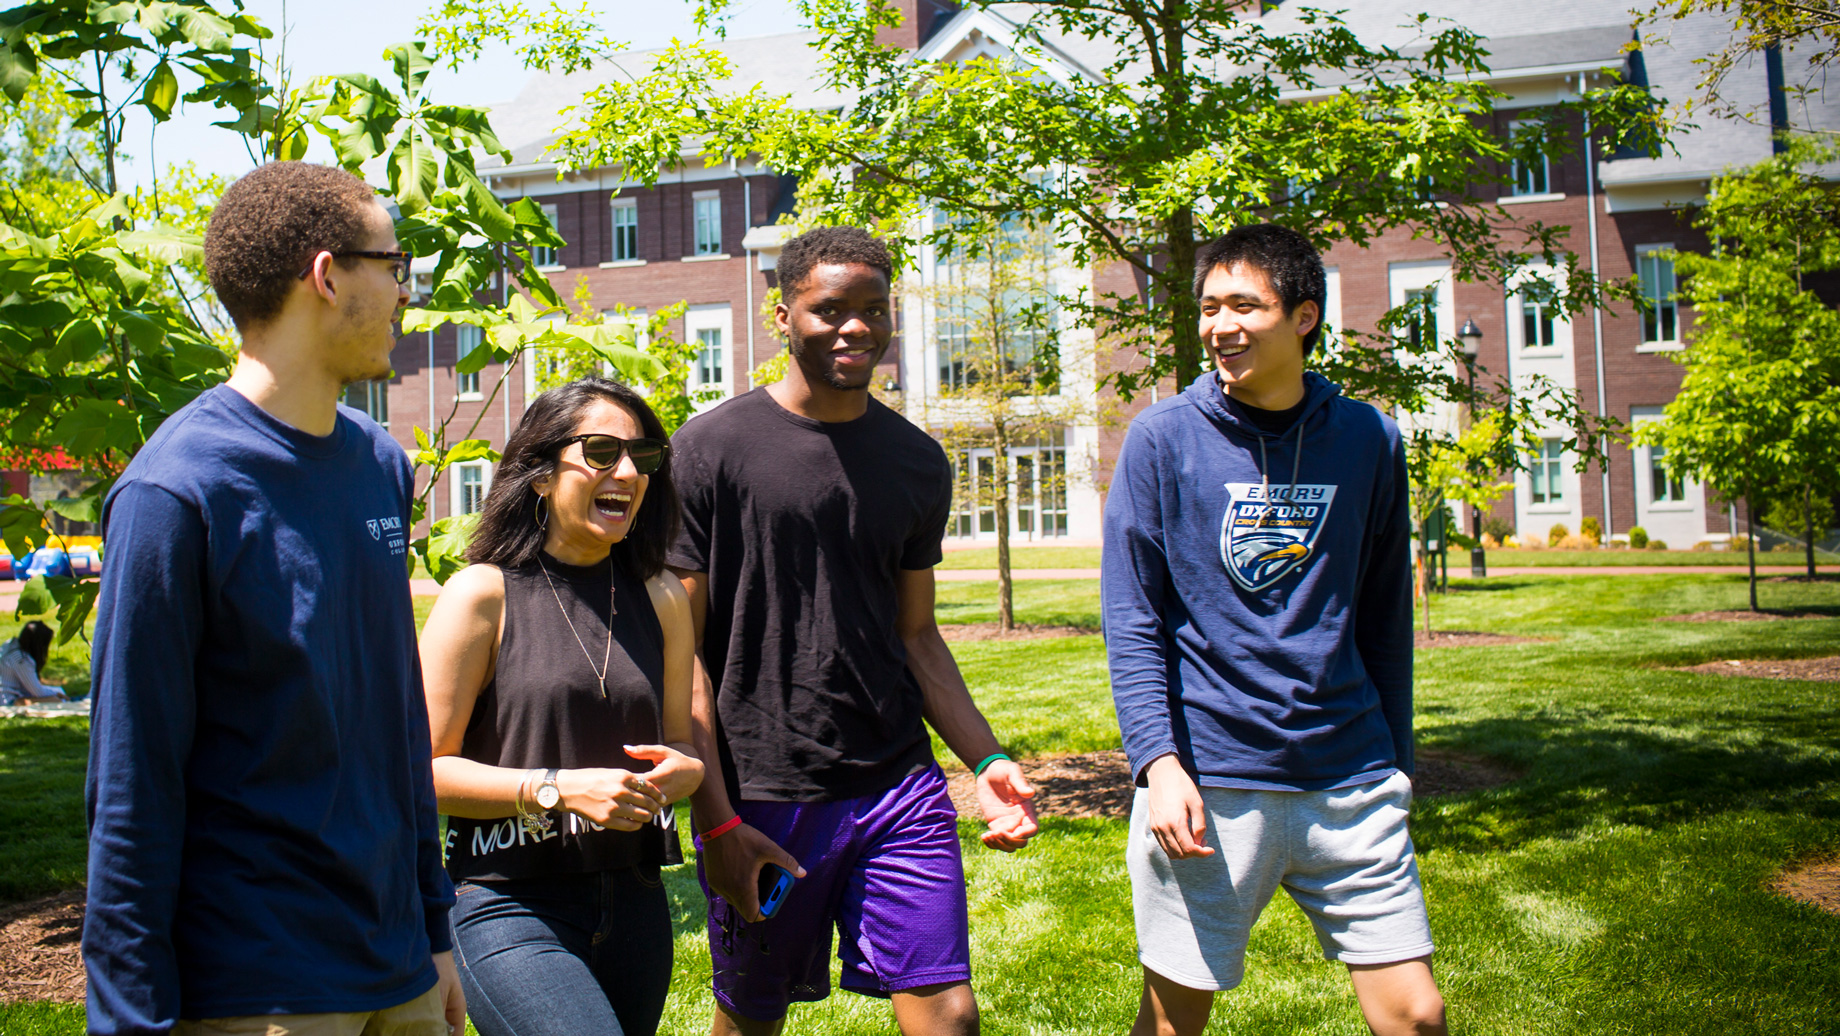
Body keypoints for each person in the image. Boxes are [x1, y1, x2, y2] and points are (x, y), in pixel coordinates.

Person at [82, 162, 463, 1036]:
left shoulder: (378, 464)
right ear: (327, 276)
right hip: (264, 986)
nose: (406, 291)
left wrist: (434, 929)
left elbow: (395, 717)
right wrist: (128, 1019)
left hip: (399, 962)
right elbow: (132, 779)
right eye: (393, 265)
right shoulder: (176, 491)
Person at [668, 225, 1040, 1036]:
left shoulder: (916, 461)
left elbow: (918, 636)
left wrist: (989, 758)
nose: (855, 327)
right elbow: (681, 652)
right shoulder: (709, 449)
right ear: (782, 315)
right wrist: (716, 816)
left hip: (897, 783)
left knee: (948, 1015)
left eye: (875, 309)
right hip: (766, 790)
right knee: (750, 1018)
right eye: (830, 309)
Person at [1102, 223, 1447, 1036]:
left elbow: (1382, 614)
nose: (1222, 326)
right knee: (1173, 1020)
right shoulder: (1163, 438)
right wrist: (1158, 764)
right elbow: (1132, 617)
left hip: (1350, 775)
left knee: (1418, 1016)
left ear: (1303, 317)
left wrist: (1397, 761)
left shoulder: (1368, 437)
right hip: (1212, 783)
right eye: (1210, 308)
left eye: (1244, 306)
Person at [419, 377, 703, 1036]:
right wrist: (555, 790)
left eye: (644, 457)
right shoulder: (481, 595)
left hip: (634, 902)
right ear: (541, 474)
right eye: (602, 452)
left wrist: (685, 771)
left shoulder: (661, 597)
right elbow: (421, 768)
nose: (629, 472)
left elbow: (679, 745)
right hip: (506, 899)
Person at [0, 620, 69, 705]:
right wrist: (58, 693)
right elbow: (38, 691)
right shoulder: (21, 660)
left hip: (8, 695)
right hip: (7, 700)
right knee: (55, 699)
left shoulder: (10, 645)